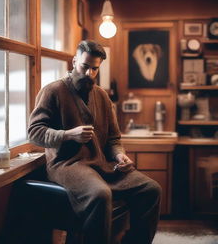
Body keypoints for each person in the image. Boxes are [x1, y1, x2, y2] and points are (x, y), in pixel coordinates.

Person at [28, 40, 161, 244]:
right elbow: (34, 133)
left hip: (102, 165)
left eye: (95, 69)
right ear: (74, 61)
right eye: (85, 66)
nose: (89, 73)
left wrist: (119, 155)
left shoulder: (102, 97)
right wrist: (68, 134)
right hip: (66, 165)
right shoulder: (52, 91)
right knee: (100, 194)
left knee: (151, 189)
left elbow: (114, 138)